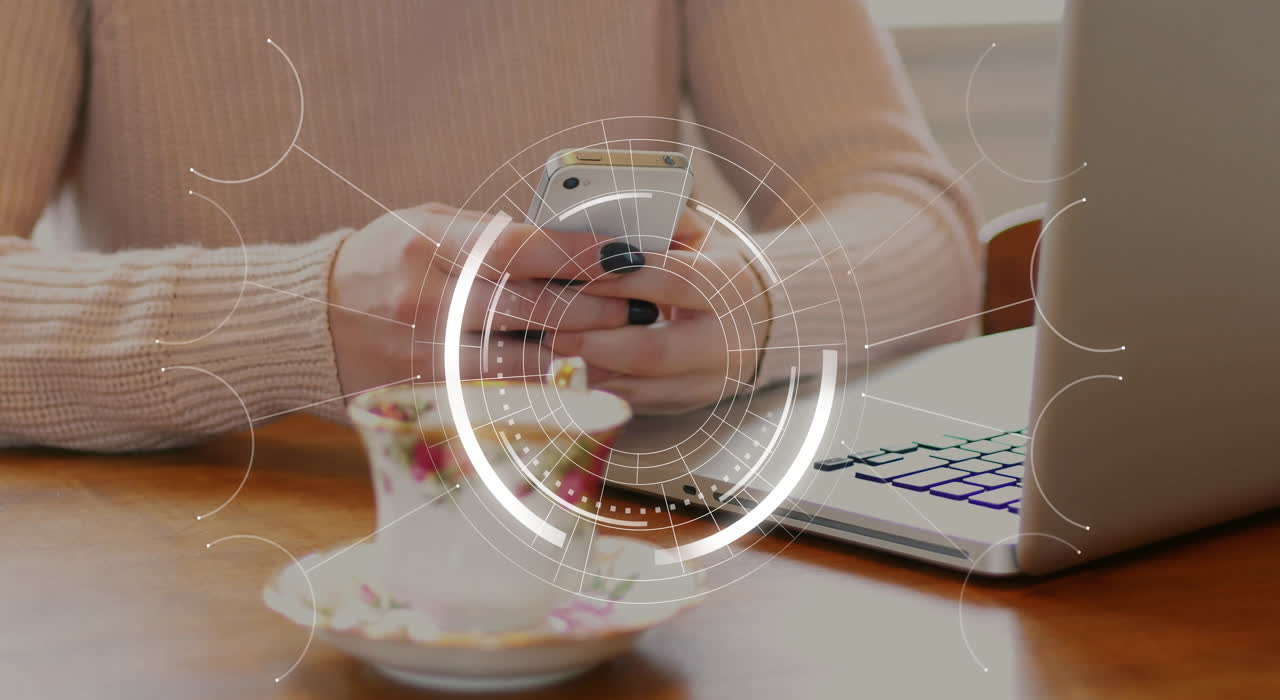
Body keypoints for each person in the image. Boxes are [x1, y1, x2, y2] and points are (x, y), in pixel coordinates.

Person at [0, 0, 980, 451]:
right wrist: (304, 320)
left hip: (591, 551)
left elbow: (916, 226)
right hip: (190, 559)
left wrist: (759, 306)